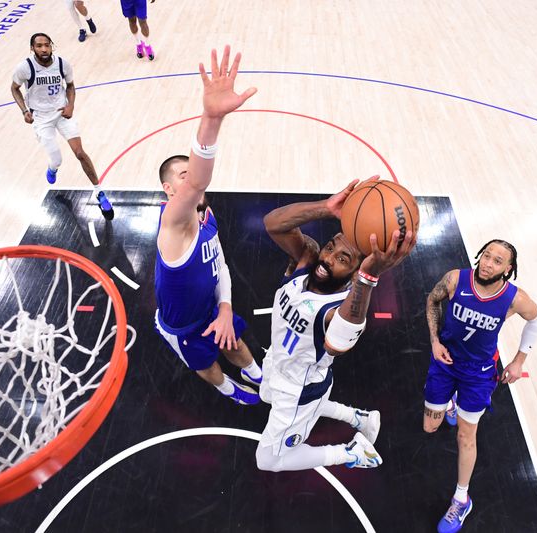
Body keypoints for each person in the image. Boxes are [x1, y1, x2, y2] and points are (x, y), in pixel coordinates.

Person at [255, 179, 416, 472]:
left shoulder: (338, 309)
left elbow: (338, 343)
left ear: (356, 272)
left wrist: (369, 278)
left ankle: (352, 453)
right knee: (265, 395)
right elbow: (272, 224)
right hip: (277, 361)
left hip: (299, 390)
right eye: (330, 248)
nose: (327, 259)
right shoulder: (306, 260)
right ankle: (359, 418)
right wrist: (326, 208)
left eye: (342, 259)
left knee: (267, 461)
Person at [154, 46, 262, 405]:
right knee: (206, 366)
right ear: (169, 190)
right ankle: (227, 388)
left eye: (190, 175)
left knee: (234, 342)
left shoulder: (207, 216)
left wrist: (227, 308)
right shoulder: (173, 223)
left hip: (213, 309)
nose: (190, 183)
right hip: (183, 327)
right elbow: (197, 182)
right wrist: (211, 120)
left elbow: (221, 266)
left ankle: (256, 373)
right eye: (182, 178)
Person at [423, 239, 537, 533]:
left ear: (508, 269)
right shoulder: (455, 279)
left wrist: (518, 362)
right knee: (430, 427)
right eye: (486, 256)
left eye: (497, 261)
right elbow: (433, 300)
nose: (488, 263)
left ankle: (461, 500)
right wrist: (435, 341)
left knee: (466, 436)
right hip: (445, 362)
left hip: (479, 374)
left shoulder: (514, 299)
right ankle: (451, 401)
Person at [10, 33, 114, 220]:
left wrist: (70, 105)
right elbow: (14, 88)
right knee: (57, 159)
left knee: (80, 153)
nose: (43, 49)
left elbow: (71, 85)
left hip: (61, 113)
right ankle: (52, 168)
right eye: (39, 46)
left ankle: (100, 192)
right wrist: (24, 110)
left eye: (47, 45)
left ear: (52, 46)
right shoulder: (24, 68)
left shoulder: (62, 64)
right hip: (41, 118)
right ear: (32, 48)